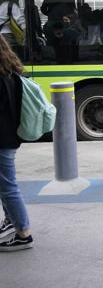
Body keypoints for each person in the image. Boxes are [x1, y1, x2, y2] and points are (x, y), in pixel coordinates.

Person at [0, 36, 33, 251]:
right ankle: (12, 221)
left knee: (8, 186)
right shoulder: (10, 73)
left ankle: (23, 233)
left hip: (2, 138)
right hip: (10, 136)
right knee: (5, 185)